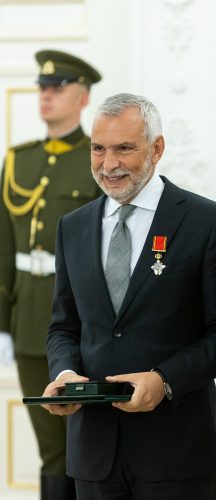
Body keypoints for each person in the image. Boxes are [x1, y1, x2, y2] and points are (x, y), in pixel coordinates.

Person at [41, 93, 216, 500]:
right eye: (98, 149)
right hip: (94, 456)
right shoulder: (72, 227)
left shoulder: (208, 222)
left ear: (157, 149)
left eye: (124, 149)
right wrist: (64, 376)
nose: (108, 163)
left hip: (177, 453)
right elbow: (64, 325)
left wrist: (164, 380)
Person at [0, 49, 102, 499]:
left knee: (87, 443)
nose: (46, 96)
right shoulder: (18, 160)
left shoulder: (97, 158)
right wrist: (2, 323)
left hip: (81, 322)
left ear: (82, 97)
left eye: (58, 87)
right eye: (42, 87)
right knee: (50, 449)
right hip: (27, 324)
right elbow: (4, 245)